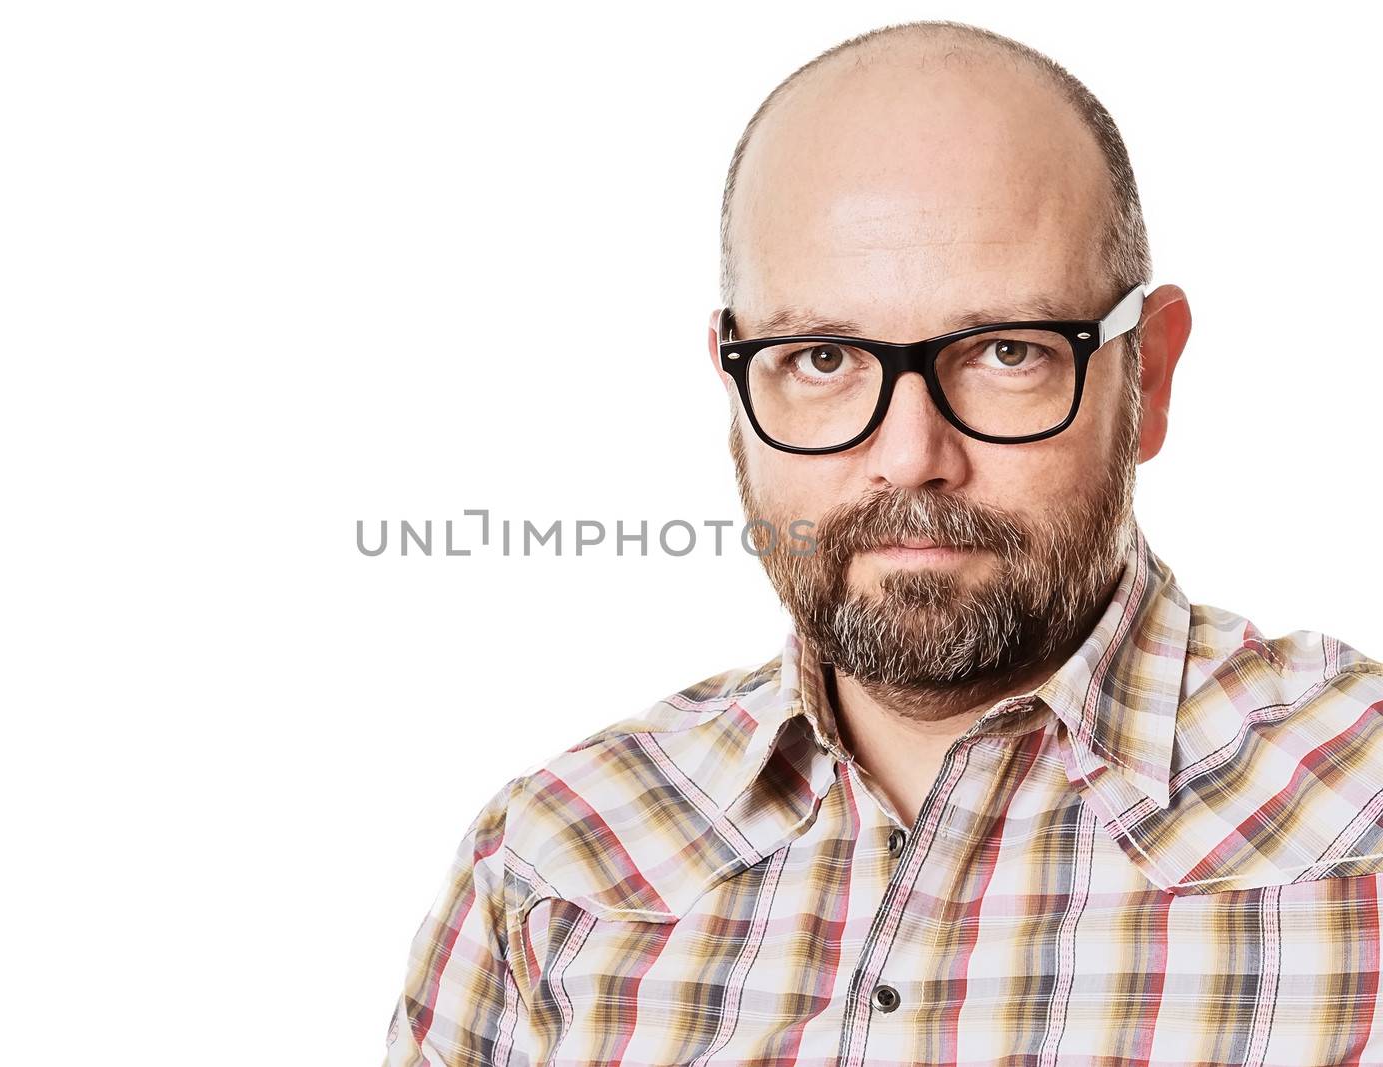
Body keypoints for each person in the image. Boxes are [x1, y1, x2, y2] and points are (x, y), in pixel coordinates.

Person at [381, 19, 1383, 1066]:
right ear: (736, 381)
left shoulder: (1360, 825)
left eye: (1006, 351)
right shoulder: (548, 870)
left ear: (1149, 377)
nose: (911, 455)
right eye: (820, 358)